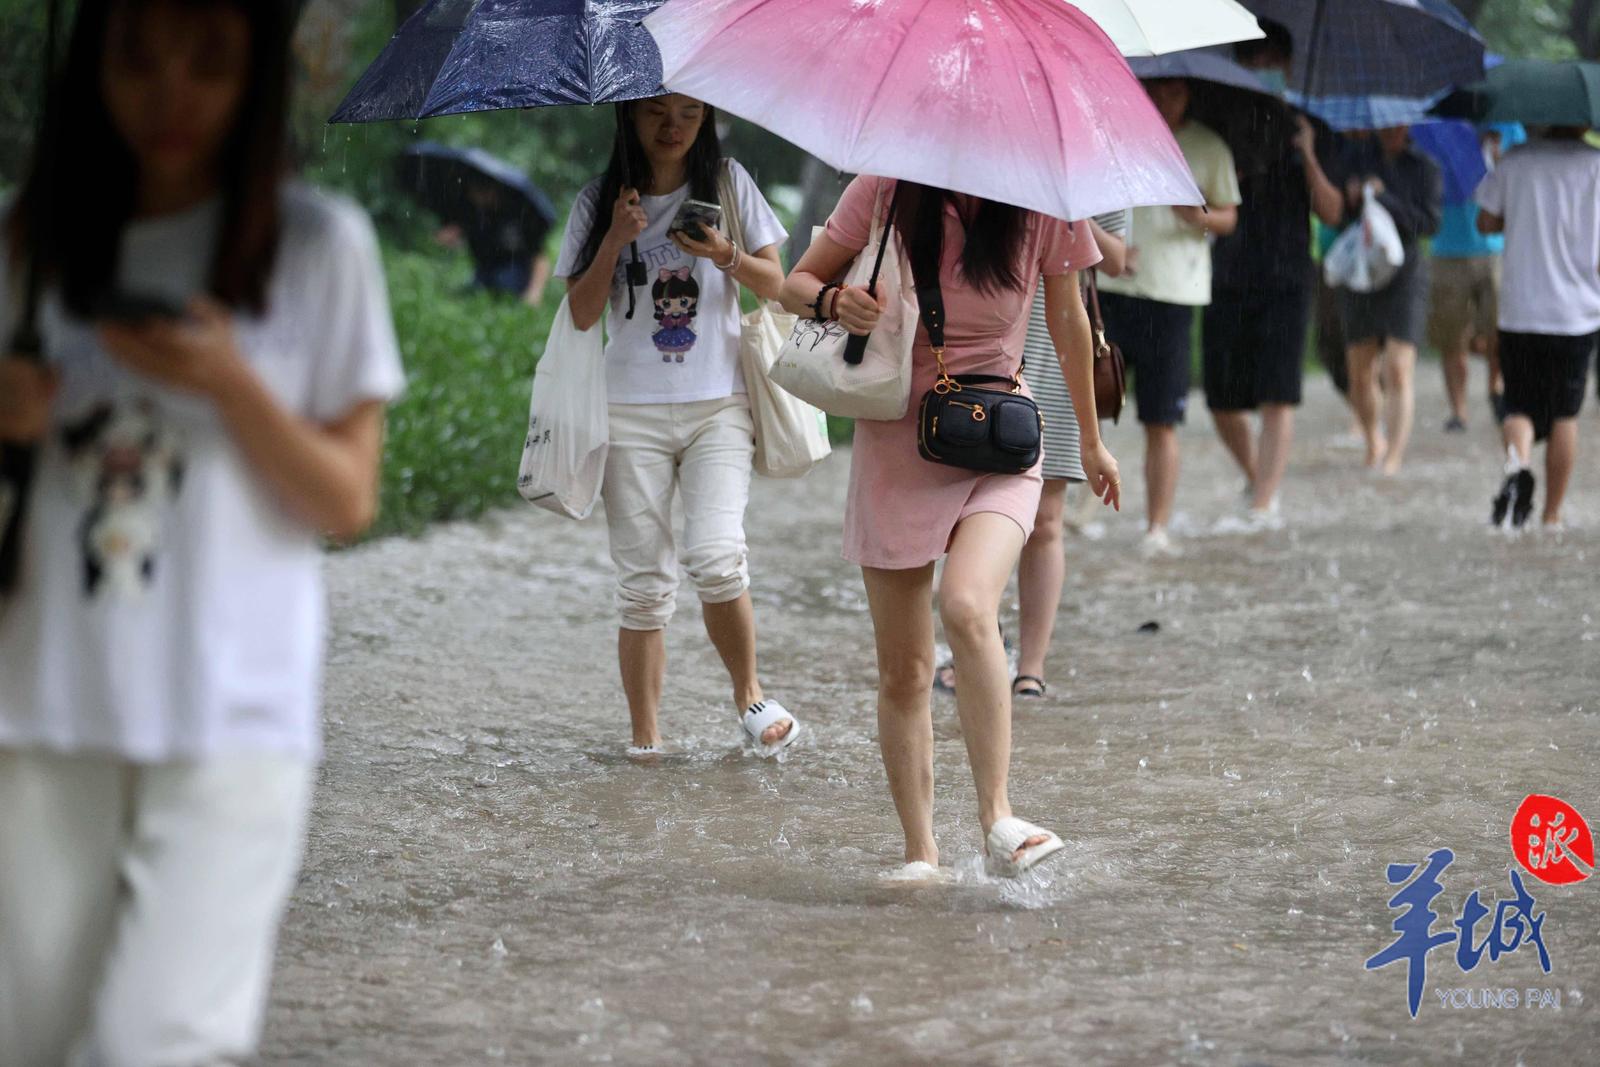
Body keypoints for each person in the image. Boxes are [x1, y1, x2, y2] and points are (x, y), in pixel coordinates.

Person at [0, 2, 405, 1063]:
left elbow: (347, 499)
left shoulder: (318, 248)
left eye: (210, 61)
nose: (171, 93)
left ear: (256, 76)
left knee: (156, 1042)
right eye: (138, 57)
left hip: (234, 711)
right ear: (94, 65)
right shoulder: (23, 243)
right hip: (41, 705)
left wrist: (233, 385)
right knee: (29, 1036)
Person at [779, 177, 1119, 878]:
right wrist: (835, 302)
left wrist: (1089, 439)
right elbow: (797, 281)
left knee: (967, 604)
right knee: (903, 668)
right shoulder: (882, 188)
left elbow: (1069, 320)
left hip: (1000, 435)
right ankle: (920, 853)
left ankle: (997, 816)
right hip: (896, 436)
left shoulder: (1043, 197)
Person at [555, 94, 801, 757]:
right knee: (642, 587)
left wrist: (726, 254)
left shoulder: (730, 184)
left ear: (707, 120)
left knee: (717, 556)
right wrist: (613, 238)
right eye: (657, 112)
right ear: (628, 116)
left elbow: (777, 284)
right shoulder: (598, 200)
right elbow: (580, 313)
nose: (673, 127)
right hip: (626, 411)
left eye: (690, 114)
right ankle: (646, 742)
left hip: (718, 402)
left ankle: (749, 694)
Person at [1203, 23, 1343, 528]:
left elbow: (1331, 211)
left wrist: (1306, 153)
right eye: (1253, 61)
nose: (1263, 70)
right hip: (1227, 273)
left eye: (1271, 60)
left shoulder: (1312, 125)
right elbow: (1197, 196)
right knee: (1220, 398)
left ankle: (1263, 504)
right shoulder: (1216, 122)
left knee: (1278, 393)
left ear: (1287, 65)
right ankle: (1259, 481)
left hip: (1288, 275)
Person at [1098, 78, 1241, 556]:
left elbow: (1228, 217)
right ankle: (1069, 512)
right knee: (1090, 408)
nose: (1165, 100)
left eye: (1175, 92)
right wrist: (1107, 252)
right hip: (1113, 288)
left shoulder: (1209, 147)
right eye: (1157, 89)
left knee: (1162, 419)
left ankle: (1157, 526)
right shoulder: (1113, 134)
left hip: (1174, 294)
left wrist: (1197, 217)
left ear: (1188, 95)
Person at [1010, 214, 1127, 699]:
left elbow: (1118, 260)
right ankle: (978, 647)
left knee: (1045, 518)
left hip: (1060, 339)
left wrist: (1069, 212)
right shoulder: (991, 150)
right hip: (987, 331)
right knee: (969, 510)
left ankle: (1030, 667)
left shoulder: (1091, 161)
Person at [1475, 126, 1600, 529]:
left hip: (1521, 310)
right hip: (1576, 313)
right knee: (1565, 414)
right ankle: (1551, 515)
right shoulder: (1595, 165)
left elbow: (1485, 222)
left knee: (1519, 405)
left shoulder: (1515, 160)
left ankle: (1518, 467)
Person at [1333, 126, 1443, 475]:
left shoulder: (1425, 167)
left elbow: (1428, 224)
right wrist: (1350, 196)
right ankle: (1372, 440)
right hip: (1361, 270)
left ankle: (1393, 456)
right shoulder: (1353, 157)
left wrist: (1383, 198)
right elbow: (1336, 216)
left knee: (1398, 368)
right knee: (1360, 373)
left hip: (1406, 273)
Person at [1427, 123, 1524, 432]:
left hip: (1495, 248)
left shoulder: (1509, 129)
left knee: (1500, 331)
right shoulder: (1438, 127)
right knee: (1451, 337)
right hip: (1446, 246)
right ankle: (1459, 410)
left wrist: (1494, 158)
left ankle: (1495, 387)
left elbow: (1521, 181)